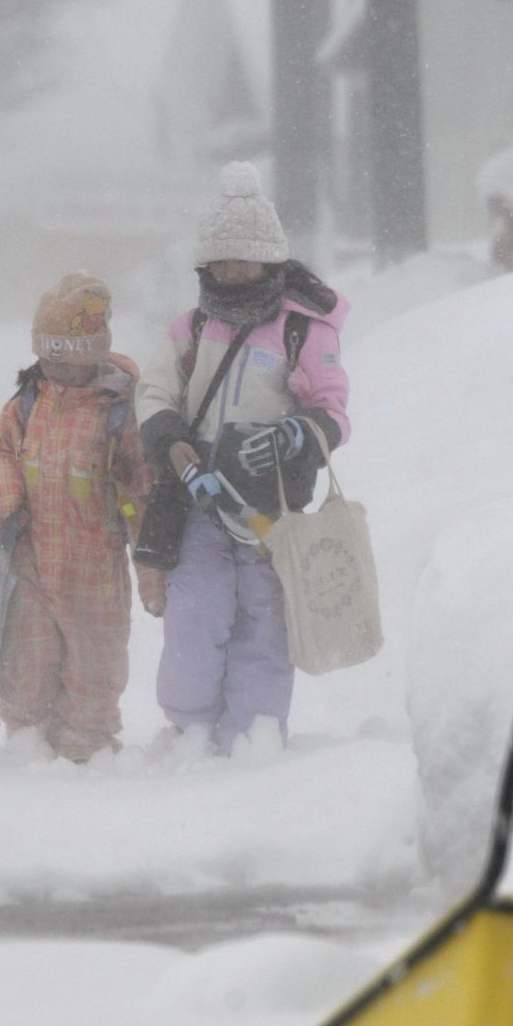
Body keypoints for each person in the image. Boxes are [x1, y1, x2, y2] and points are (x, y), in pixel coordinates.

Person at [135, 162, 351, 753]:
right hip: (200, 489)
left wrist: (298, 434)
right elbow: (154, 393)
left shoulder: (303, 331)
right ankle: (191, 725)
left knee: (264, 614)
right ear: (206, 266)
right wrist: (177, 450)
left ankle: (254, 732)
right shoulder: (193, 326)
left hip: (271, 500)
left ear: (270, 262)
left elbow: (335, 408)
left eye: (245, 261)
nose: (233, 273)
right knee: (195, 609)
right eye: (222, 262)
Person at [0, 272, 152, 762]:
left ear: (93, 354)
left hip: (95, 569)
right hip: (34, 559)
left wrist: (151, 564)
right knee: (28, 660)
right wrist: (7, 500)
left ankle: (85, 748)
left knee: (94, 665)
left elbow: (140, 484)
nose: (56, 365)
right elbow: (1, 452)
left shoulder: (117, 411)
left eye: (67, 355)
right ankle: (26, 742)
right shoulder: (27, 403)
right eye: (47, 353)